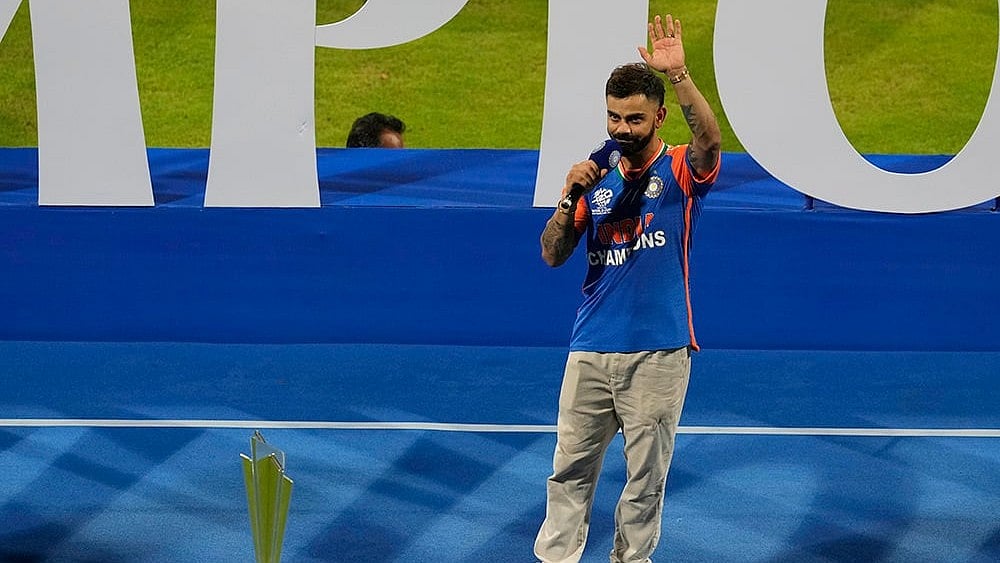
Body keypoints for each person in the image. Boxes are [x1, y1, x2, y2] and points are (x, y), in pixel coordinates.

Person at [534, 13, 722, 563]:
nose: (621, 128)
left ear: (658, 116)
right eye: (614, 117)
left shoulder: (683, 169)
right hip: (590, 348)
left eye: (634, 119)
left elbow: (709, 139)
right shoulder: (595, 173)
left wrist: (680, 72)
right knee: (568, 471)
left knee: (645, 481)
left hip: (659, 351)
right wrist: (569, 198)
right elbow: (551, 253)